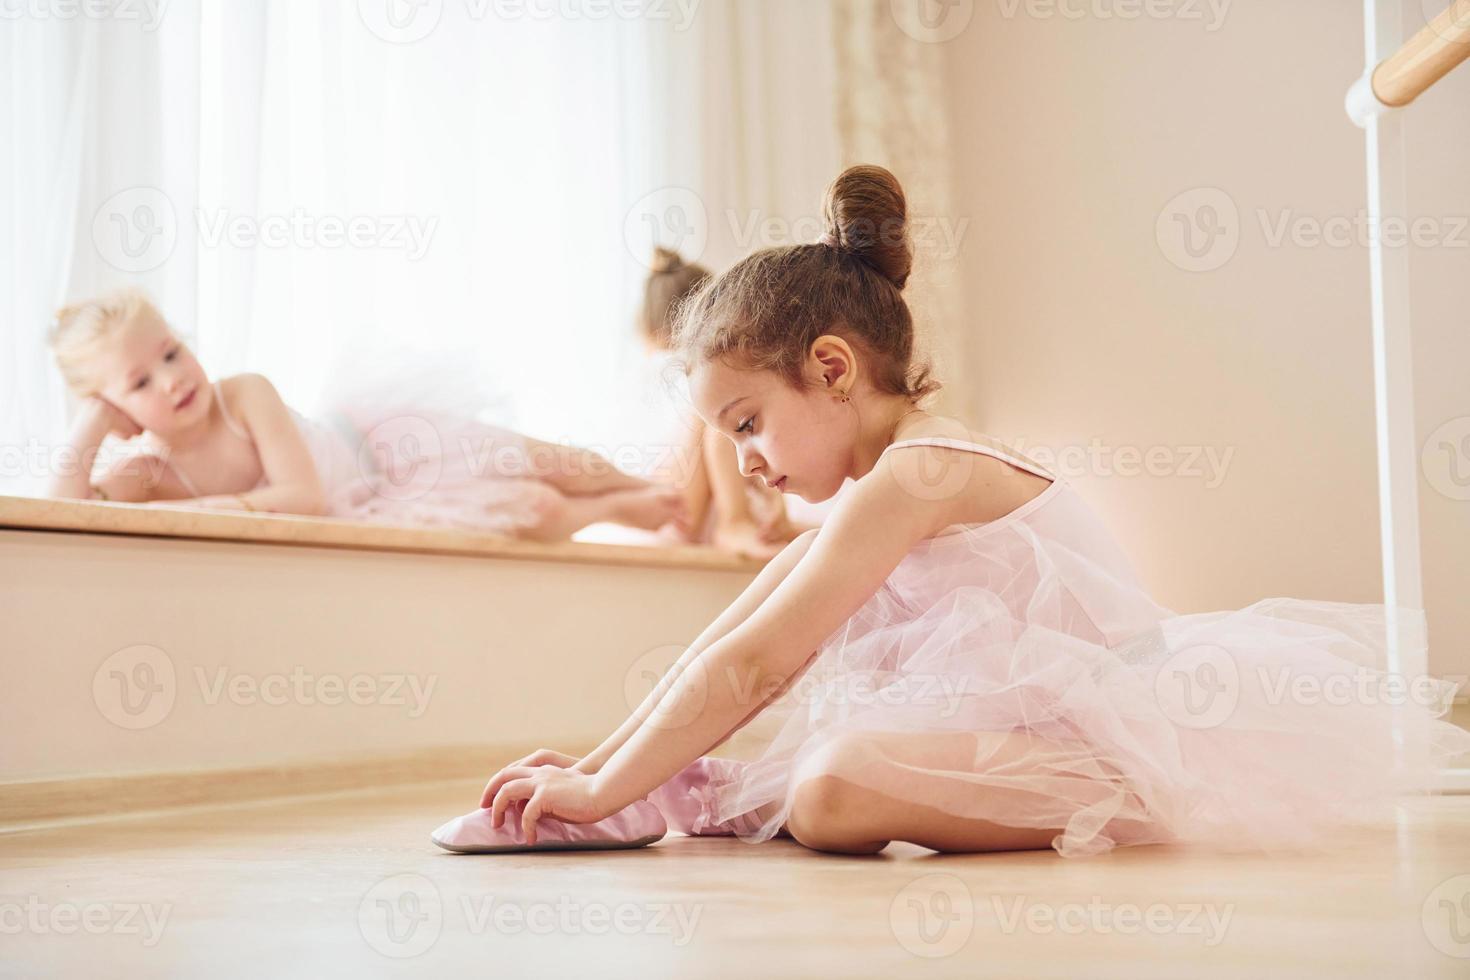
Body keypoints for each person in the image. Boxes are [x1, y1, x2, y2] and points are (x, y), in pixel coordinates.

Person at [432, 164, 1470, 857]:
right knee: (823, 783)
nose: (744, 461)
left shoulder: (921, 474)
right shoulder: (869, 491)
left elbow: (760, 665)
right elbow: (734, 629)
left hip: (1119, 738)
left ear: (830, 368)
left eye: (747, 422)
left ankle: (1143, 801)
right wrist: (598, 763)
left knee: (835, 787)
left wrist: (608, 795)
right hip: (1023, 728)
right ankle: (709, 784)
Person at [45, 290, 685, 540]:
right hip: (373, 501)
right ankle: (613, 509)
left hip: (383, 444)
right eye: (138, 382)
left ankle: (652, 489)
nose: (173, 378)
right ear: (116, 407)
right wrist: (94, 423)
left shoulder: (242, 394)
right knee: (535, 511)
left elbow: (299, 494)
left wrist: (169, 514)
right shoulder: (150, 471)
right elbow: (64, 514)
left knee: (551, 460)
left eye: (172, 352)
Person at [640, 247, 809, 559]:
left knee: (733, 419)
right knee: (726, 413)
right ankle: (735, 522)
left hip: (680, 514)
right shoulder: (676, 370)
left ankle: (746, 521)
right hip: (680, 517)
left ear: (648, 328)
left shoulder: (658, 372)